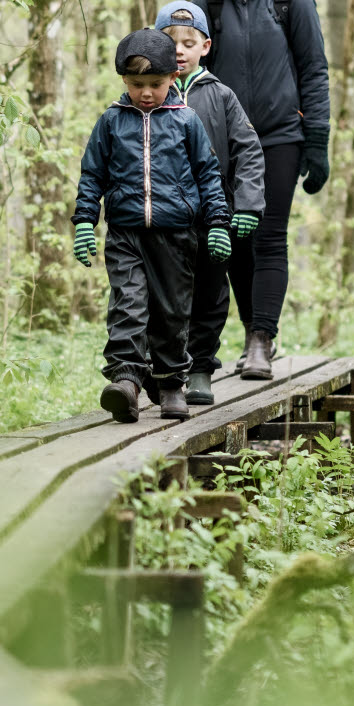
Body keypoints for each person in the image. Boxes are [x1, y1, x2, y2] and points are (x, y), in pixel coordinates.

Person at [191, 0, 331, 380]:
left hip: (279, 138)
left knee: (269, 237)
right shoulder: (205, 3)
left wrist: (318, 139)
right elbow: (186, 70)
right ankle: (254, 329)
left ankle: (260, 340)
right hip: (221, 144)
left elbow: (314, 71)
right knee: (232, 237)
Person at [72, 29, 232, 422]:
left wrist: (217, 223)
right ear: (124, 81)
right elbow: (92, 175)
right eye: (137, 85)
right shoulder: (111, 122)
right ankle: (126, 380)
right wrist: (83, 222)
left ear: (173, 79)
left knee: (171, 311)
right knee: (127, 305)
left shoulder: (186, 121)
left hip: (176, 235)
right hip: (125, 233)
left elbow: (208, 174)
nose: (146, 93)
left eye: (155, 84)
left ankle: (170, 383)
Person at [153, 0, 264, 404]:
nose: (179, 49)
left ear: (206, 46)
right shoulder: (147, 95)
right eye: (170, 41)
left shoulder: (222, 96)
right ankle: (166, 370)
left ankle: (201, 368)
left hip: (215, 219)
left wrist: (248, 204)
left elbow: (248, 151)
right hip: (162, 222)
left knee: (210, 296)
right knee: (164, 298)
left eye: (189, 42)